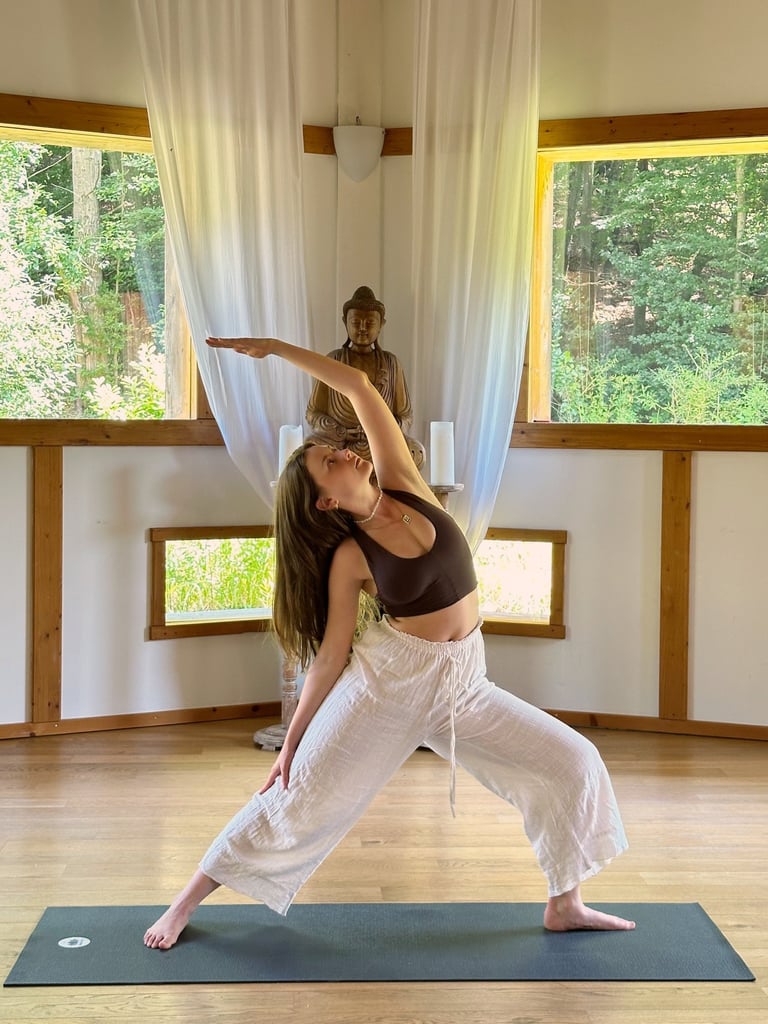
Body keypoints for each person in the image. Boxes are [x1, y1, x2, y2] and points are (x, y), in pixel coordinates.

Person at [143, 335, 635, 950]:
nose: (345, 451)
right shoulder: (351, 558)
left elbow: (358, 386)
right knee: (297, 794)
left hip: (464, 685)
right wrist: (290, 743)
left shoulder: (405, 484)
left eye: (337, 447)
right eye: (330, 458)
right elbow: (330, 658)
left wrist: (275, 348)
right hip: (387, 687)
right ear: (327, 499)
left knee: (574, 761)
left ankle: (565, 904)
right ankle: (184, 903)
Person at [305, 285, 425, 466]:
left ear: (381, 325)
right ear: (345, 322)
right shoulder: (333, 360)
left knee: (416, 452)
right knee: (310, 448)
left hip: (382, 444)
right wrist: (341, 431)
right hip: (340, 445)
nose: (362, 328)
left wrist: (383, 430)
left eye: (369, 323)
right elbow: (313, 413)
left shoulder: (391, 363)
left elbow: (405, 415)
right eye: (355, 322)